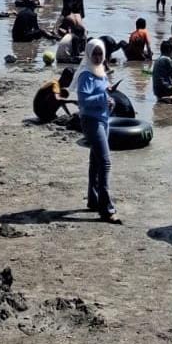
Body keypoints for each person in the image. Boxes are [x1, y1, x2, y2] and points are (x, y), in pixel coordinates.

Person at [76, 39, 120, 223]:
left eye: (100, 53)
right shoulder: (86, 74)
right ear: (88, 54)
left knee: (95, 162)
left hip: (103, 119)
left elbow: (104, 94)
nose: (97, 57)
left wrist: (110, 101)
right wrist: (103, 97)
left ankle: (93, 199)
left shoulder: (101, 72)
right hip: (91, 121)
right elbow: (83, 101)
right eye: (94, 53)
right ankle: (106, 208)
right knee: (105, 162)